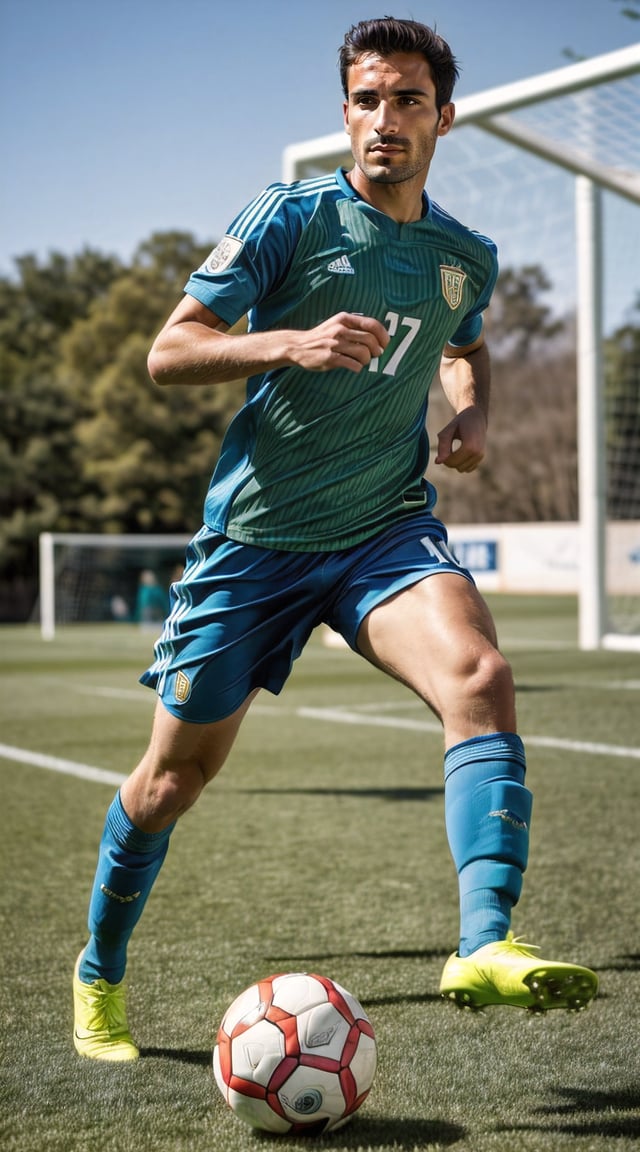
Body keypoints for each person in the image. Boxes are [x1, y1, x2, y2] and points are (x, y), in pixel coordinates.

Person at [72, 16, 597, 1061]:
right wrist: (289, 344)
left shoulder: (463, 257)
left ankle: (482, 947)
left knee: (481, 677)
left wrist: (470, 414)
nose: (383, 120)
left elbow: (466, 349)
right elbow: (167, 354)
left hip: (383, 529)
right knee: (173, 781)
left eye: (407, 100)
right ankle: (99, 971)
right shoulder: (290, 217)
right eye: (366, 100)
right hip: (256, 542)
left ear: (442, 118)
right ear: (344, 114)